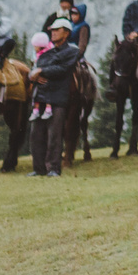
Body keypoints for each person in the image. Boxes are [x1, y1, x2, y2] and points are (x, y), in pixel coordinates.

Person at [29, 20, 82, 177]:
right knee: (36, 134)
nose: (52, 33)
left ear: (66, 33)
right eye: (52, 30)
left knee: (54, 135)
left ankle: (53, 169)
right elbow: (36, 70)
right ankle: (38, 169)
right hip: (40, 97)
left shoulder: (72, 51)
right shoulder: (46, 53)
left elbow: (63, 69)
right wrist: (36, 75)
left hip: (57, 98)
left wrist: (41, 71)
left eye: (57, 30)